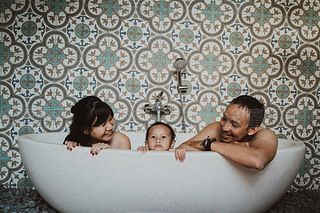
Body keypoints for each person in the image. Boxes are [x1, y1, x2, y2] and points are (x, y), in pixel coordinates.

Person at [174, 95, 278, 170]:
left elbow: (257, 161)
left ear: (252, 130)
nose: (225, 127)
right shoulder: (216, 128)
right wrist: (238, 147)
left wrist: (209, 144)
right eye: (224, 118)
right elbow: (183, 147)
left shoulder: (265, 135)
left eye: (234, 125)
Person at [64, 96, 131, 155]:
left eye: (110, 119)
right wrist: (71, 150)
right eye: (103, 124)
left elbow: (124, 168)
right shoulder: (74, 140)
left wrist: (109, 153)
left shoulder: (121, 141)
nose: (110, 127)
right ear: (86, 130)